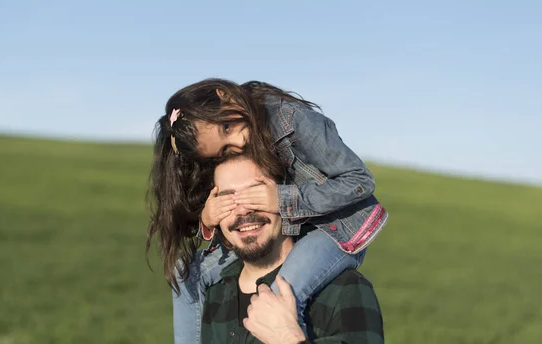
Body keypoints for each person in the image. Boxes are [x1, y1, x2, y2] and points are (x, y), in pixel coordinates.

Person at [146, 79, 388, 343]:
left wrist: (281, 200)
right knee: (186, 274)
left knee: (272, 299)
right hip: (293, 223)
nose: (238, 141)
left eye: (228, 127)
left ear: (223, 94)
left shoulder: (292, 120)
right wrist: (207, 218)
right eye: (224, 150)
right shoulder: (241, 131)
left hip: (333, 229)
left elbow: (360, 181)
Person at [202, 154, 384, 343]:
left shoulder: (344, 289)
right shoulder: (215, 294)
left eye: (256, 194)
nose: (243, 210)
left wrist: (288, 339)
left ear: (286, 198)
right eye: (226, 201)